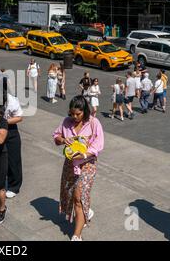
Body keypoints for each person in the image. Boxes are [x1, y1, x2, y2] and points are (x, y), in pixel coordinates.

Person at [53, 95, 104, 241]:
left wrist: (83, 155)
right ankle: (86, 211)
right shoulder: (66, 122)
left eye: (78, 114)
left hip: (87, 164)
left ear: (85, 111)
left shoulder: (94, 123)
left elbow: (98, 145)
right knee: (71, 194)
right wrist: (63, 139)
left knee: (78, 197)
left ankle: (76, 235)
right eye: (72, 114)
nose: (74, 117)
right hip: (70, 165)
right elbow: (56, 136)